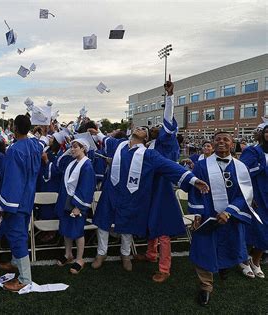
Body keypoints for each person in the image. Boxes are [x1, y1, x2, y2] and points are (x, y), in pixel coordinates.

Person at [90, 123, 209, 272]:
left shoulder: (149, 154)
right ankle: (101, 253)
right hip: (110, 191)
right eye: (139, 127)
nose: (140, 129)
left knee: (127, 224)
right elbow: (104, 139)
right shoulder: (118, 145)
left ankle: (125, 254)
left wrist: (193, 180)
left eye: (144, 130)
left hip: (130, 194)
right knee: (103, 222)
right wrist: (97, 132)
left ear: (146, 138)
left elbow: (169, 166)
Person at [188, 131, 260, 306]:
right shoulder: (202, 165)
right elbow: (195, 191)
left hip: (231, 216)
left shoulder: (240, 167)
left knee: (229, 245)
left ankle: (223, 266)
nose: (221, 142)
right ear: (212, 143)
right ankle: (206, 285)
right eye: (218, 139)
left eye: (225, 139)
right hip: (208, 215)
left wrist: (228, 211)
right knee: (204, 247)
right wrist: (197, 214)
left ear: (232, 143)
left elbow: (245, 194)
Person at [134, 75, 187, 282]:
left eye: (160, 126)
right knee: (151, 221)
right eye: (153, 127)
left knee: (162, 227)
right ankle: (150, 254)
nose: (155, 127)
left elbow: (167, 121)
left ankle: (164, 268)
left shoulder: (168, 142)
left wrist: (170, 96)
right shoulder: (151, 145)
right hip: (150, 186)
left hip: (163, 188)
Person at [0, 115, 46, 291]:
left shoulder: (15, 150)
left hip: (16, 199)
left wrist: (5, 205)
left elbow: (12, 180)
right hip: (28, 196)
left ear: (15, 128)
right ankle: (15, 262)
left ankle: (25, 278)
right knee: (17, 232)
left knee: (17, 236)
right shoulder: (35, 145)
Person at [55, 138, 95, 274]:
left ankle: (79, 259)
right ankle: (68, 254)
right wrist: (67, 151)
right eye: (71, 147)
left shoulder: (87, 165)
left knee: (77, 231)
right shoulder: (72, 163)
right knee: (66, 228)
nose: (72, 149)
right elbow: (58, 164)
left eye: (75, 147)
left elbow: (87, 187)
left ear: (83, 148)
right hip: (66, 201)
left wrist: (78, 206)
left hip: (77, 202)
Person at [239, 124, 268, 279]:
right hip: (257, 197)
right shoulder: (253, 151)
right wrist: (260, 167)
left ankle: (255, 261)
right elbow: (242, 172)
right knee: (252, 230)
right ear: (262, 134)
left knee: (266, 232)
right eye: (267, 131)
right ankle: (244, 261)